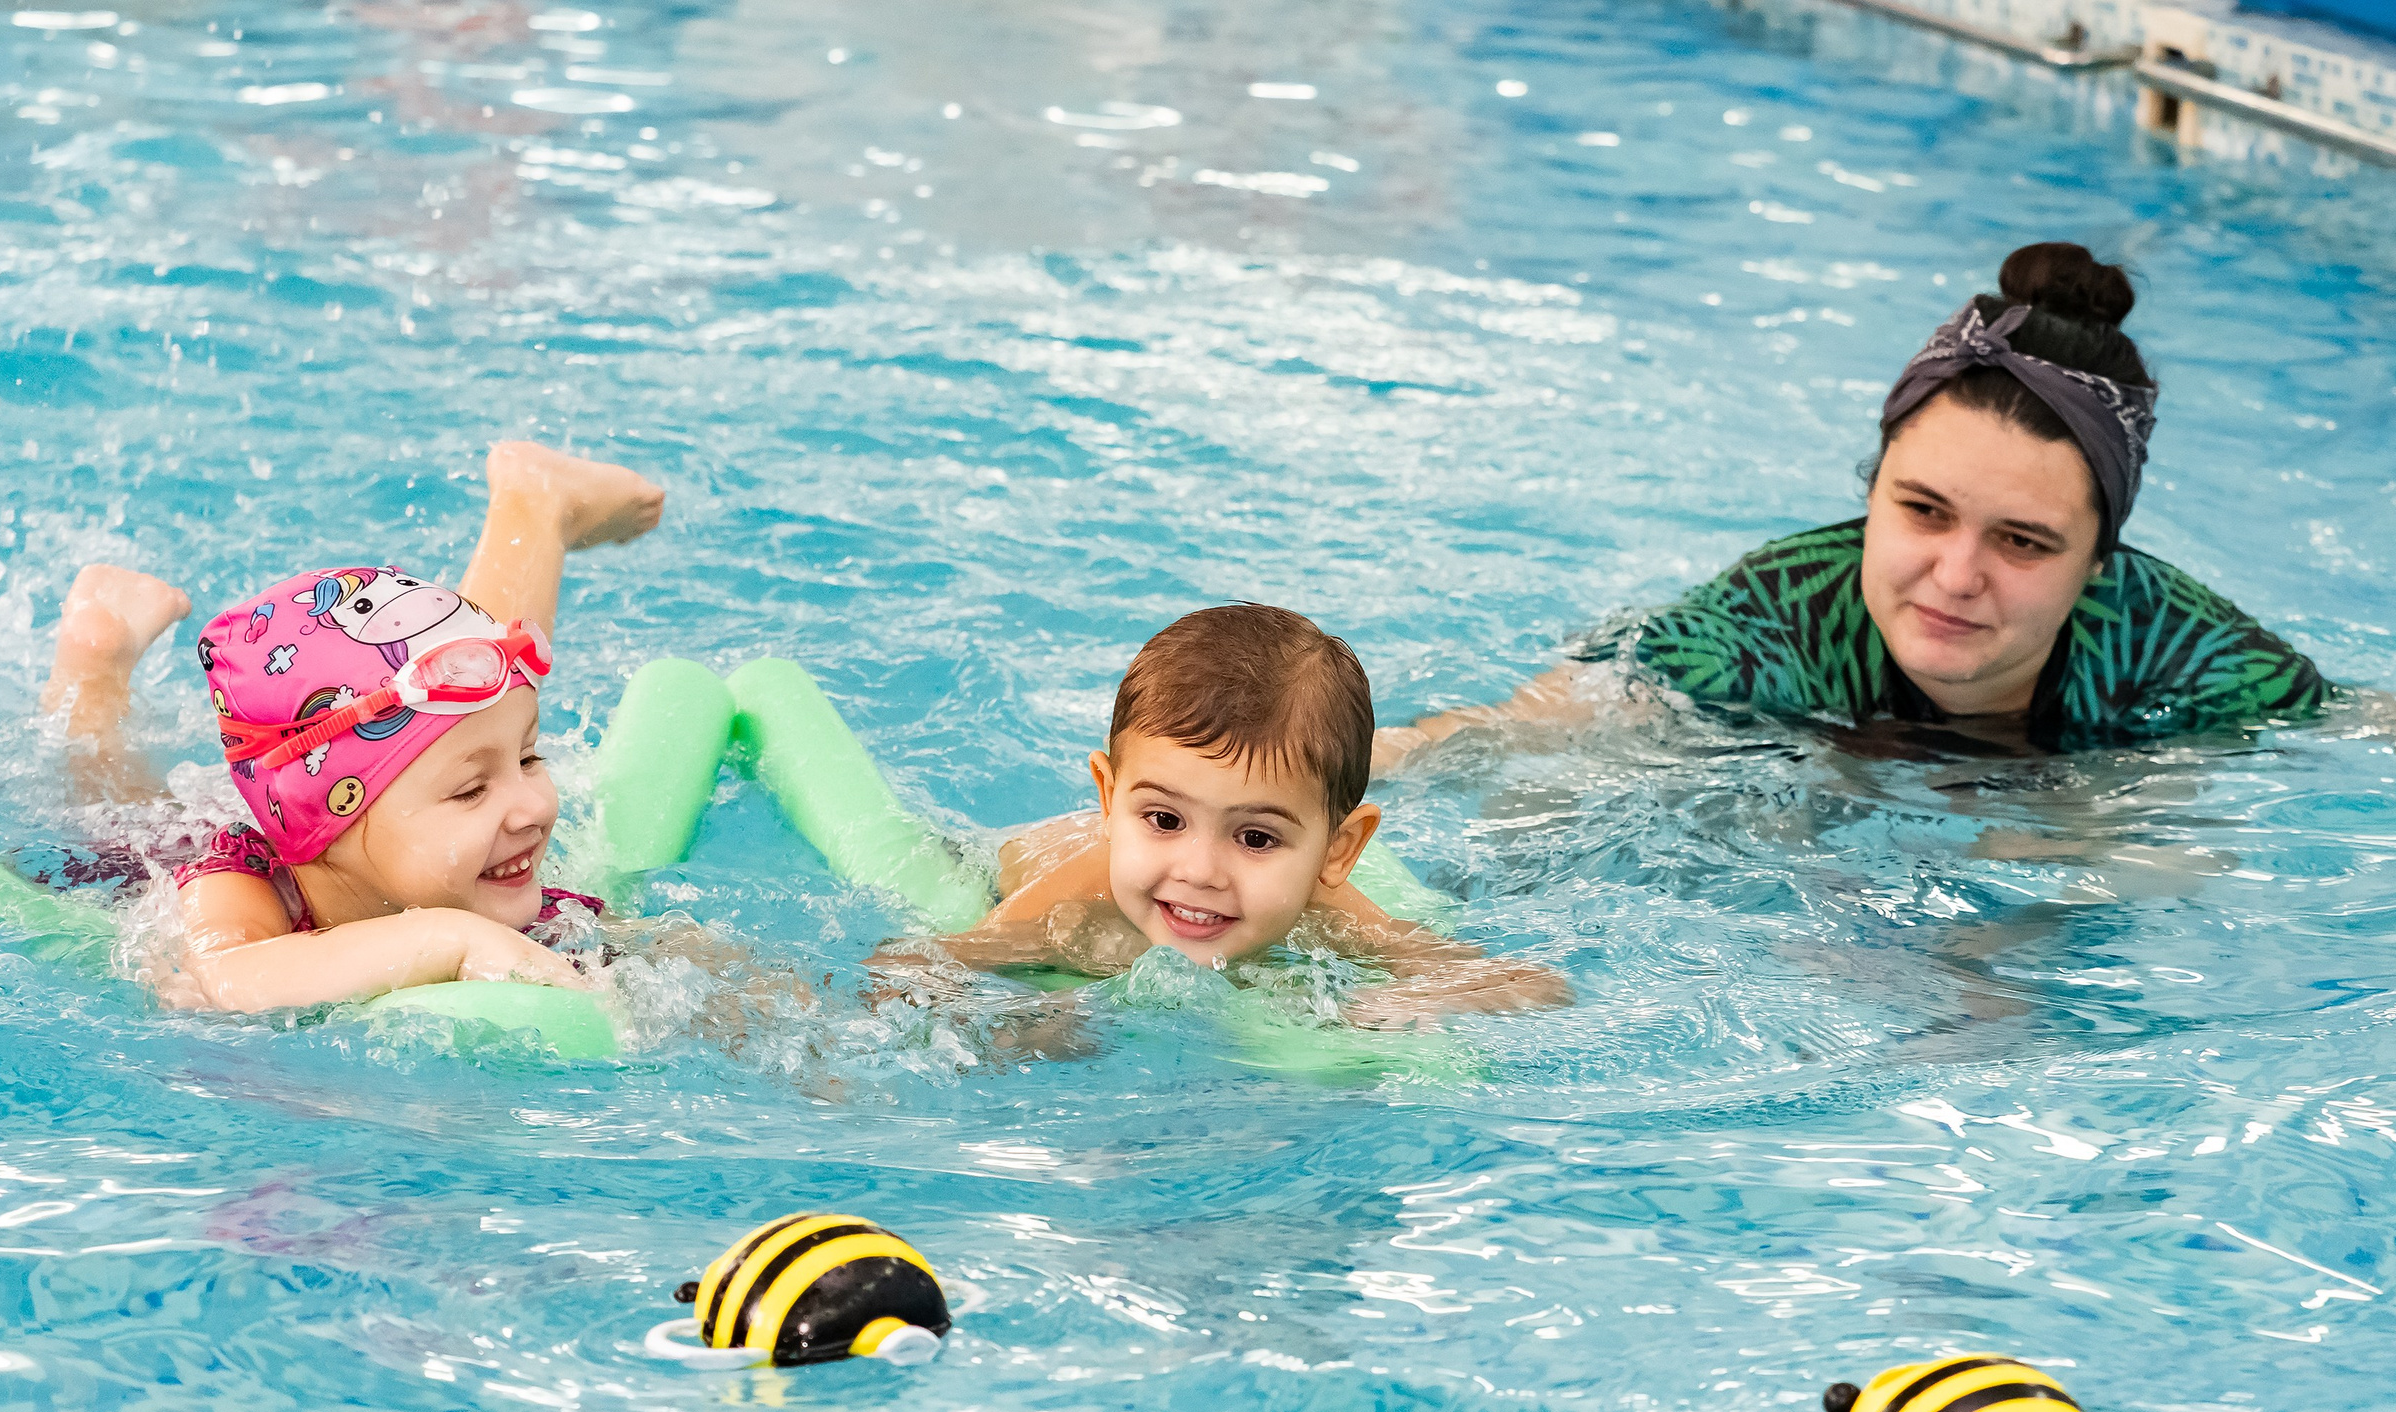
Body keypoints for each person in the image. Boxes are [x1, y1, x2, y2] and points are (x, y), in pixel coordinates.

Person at [1373, 243, 2328, 770]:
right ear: (1870, 493)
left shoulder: (2183, 651)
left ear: (2099, 564)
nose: (1956, 577)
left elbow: (2356, 730)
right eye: (1922, 511)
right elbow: (1523, 728)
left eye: (2024, 541)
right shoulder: (1770, 620)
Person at [39, 442, 665, 1011]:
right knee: (110, 800)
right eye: (471, 791)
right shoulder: (241, 890)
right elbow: (226, 976)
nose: (531, 806)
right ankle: (98, 667)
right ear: (333, 820)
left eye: (529, 758)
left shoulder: (498, 884)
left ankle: (536, 506)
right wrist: (449, 940)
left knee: (470, 711)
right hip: (161, 847)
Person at [905, 603, 1565, 1023]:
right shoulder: (1073, 906)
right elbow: (919, 964)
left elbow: (1529, 985)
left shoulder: (1328, 916)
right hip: (1000, 859)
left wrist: (1402, 1000)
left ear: (1337, 852)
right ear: (1109, 801)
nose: (1199, 871)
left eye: (1255, 837)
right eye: (1164, 820)